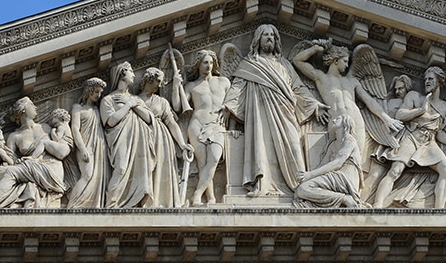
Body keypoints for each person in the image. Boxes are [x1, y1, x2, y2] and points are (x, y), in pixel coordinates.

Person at [222, 24, 327, 197]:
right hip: (260, 114)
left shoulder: (284, 64)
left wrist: (315, 105)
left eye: (272, 35)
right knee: (261, 147)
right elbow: (237, 88)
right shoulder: (249, 64)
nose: (269, 38)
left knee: (294, 148)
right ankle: (263, 185)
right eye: (265, 35)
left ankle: (301, 187)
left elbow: (298, 88)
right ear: (258, 39)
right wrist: (226, 106)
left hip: (285, 113)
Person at [292, 41, 403, 169]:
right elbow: (297, 61)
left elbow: (369, 101)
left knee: (355, 160)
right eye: (345, 61)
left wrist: (386, 119)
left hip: (357, 120)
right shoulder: (321, 77)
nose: (347, 65)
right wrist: (315, 49)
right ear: (335, 60)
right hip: (337, 121)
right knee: (336, 158)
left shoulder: (351, 81)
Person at [370, 67, 446, 208]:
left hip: (429, 142)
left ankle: (439, 211)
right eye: (425, 79)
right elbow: (400, 115)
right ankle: (377, 204)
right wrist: (420, 110)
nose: (427, 82)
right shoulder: (414, 96)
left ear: (439, 82)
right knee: (395, 170)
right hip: (411, 137)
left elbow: (439, 132)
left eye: (431, 79)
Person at [0, 97, 72, 209]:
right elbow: (8, 159)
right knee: (4, 170)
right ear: (23, 110)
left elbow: (62, 150)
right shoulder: (14, 136)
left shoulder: (46, 127)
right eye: (31, 104)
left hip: (52, 170)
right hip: (31, 169)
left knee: (11, 172)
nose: (35, 107)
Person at [100, 62, 156, 208]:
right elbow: (111, 121)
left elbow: (149, 118)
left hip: (139, 141)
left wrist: (133, 104)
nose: (134, 74)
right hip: (120, 138)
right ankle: (111, 204)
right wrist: (127, 105)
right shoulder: (108, 100)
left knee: (142, 170)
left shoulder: (135, 99)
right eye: (130, 71)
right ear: (121, 73)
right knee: (121, 168)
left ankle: (139, 201)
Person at [139, 67, 194, 208]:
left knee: (160, 170)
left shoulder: (162, 102)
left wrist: (182, 144)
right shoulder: (135, 100)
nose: (160, 85)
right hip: (140, 140)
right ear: (148, 79)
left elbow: (171, 123)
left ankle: (160, 201)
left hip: (161, 140)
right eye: (158, 81)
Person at [183, 50, 231, 206]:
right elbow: (178, 106)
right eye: (205, 62)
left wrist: (227, 108)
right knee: (203, 162)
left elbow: (235, 102)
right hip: (197, 124)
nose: (208, 66)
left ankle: (196, 193)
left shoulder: (224, 82)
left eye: (211, 62)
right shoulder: (191, 86)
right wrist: (177, 84)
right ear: (198, 64)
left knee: (214, 158)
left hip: (217, 125)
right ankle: (210, 198)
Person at [294, 115, 367, 208]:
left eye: (338, 118)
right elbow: (322, 165)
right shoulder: (333, 144)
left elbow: (338, 163)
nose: (334, 119)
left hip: (346, 178)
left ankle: (345, 199)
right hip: (335, 176)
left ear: (345, 123)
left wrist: (310, 175)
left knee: (303, 189)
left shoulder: (350, 140)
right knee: (302, 189)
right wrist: (307, 177)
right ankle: (342, 198)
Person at [68, 77, 108, 208]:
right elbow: (75, 129)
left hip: (99, 147)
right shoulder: (77, 108)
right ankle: (72, 206)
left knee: (99, 178)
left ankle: (95, 206)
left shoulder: (97, 110)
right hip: (85, 146)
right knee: (87, 175)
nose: (98, 95)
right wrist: (83, 149)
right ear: (89, 91)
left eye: (100, 92)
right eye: (96, 91)